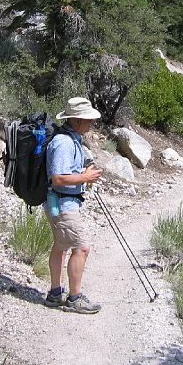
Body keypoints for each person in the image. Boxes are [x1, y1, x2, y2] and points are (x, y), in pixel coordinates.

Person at [44, 97, 103, 313]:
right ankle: (74, 298)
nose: (91, 124)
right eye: (88, 120)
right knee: (82, 247)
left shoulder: (71, 139)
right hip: (62, 204)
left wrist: (84, 174)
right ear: (77, 120)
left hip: (58, 202)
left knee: (61, 245)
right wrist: (85, 177)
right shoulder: (64, 143)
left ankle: (54, 293)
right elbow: (58, 178)